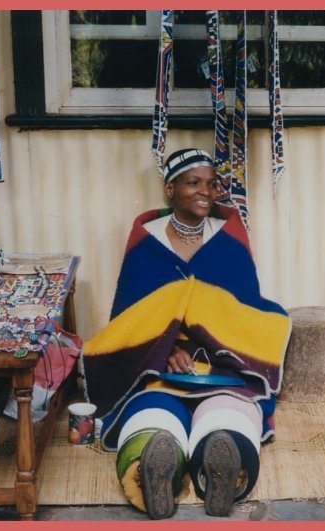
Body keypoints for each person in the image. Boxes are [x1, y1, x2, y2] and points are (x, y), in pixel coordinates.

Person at [83, 148, 291, 518]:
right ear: (170, 189)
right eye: (193, 183)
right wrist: (164, 350)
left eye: (211, 184)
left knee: (229, 410)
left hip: (224, 362)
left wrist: (216, 347)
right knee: (152, 409)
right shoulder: (146, 242)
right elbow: (131, 317)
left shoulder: (228, 238)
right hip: (158, 365)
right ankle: (156, 468)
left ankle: (220, 461)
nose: (205, 192)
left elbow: (243, 308)